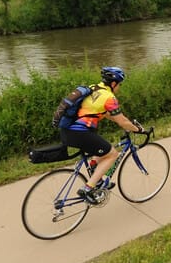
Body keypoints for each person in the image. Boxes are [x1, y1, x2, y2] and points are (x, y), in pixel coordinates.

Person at [59, 66, 143, 204]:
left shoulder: (93, 88)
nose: (119, 88)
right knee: (112, 154)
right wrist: (137, 129)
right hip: (81, 133)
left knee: (101, 148)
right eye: (119, 85)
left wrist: (125, 123)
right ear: (114, 83)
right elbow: (122, 121)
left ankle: (94, 170)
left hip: (67, 131)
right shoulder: (109, 97)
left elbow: (105, 113)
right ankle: (87, 188)